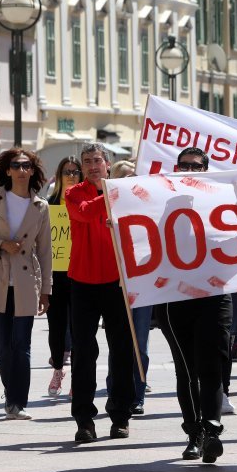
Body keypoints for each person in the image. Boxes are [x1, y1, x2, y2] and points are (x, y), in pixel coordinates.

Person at [155, 147, 233, 463]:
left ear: (206, 169)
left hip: (215, 294)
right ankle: (194, 433)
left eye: (195, 166)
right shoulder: (162, 201)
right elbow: (148, 237)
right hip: (177, 298)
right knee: (187, 370)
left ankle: (212, 431)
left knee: (212, 366)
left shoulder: (220, 200)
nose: (188, 169)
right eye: (183, 165)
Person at [0, 149, 52, 421]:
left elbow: (45, 251)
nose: (20, 170)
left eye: (26, 165)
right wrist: (0, 245)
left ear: (32, 170)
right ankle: (10, 394)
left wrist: (46, 290)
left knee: (22, 344)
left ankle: (19, 400)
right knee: (3, 344)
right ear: (7, 170)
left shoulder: (41, 206)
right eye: (15, 165)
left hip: (27, 280)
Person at [66, 143, 135, 442]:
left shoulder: (124, 192)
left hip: (117, 281)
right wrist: (111, 196)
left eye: (97, 160)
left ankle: (120, 416)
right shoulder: (73, 192)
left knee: (122, 351)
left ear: (108, 163)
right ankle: (84, 420)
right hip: (82, 281)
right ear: (82, 167)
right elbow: (82, 214)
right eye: (87, 161)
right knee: (83, 353)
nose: (93, 165)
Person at [103, 158, 152, 415]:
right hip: (114, 284)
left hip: (141, 282)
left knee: (139, 344)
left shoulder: (146, 205)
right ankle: (115, 390)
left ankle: (138, 394)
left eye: (133, 177)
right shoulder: (105, 209)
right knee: (118, 342)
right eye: (124, 177)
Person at [46, 157, 82, 397]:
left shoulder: (86, 201)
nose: (71, 175)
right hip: (56, 274)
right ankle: (58, 369)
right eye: (66, 172)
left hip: (81, 272)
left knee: (80, 329)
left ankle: (77, 378)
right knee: (56, 328)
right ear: (58, 175)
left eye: (75, 172)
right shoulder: (48, 204)